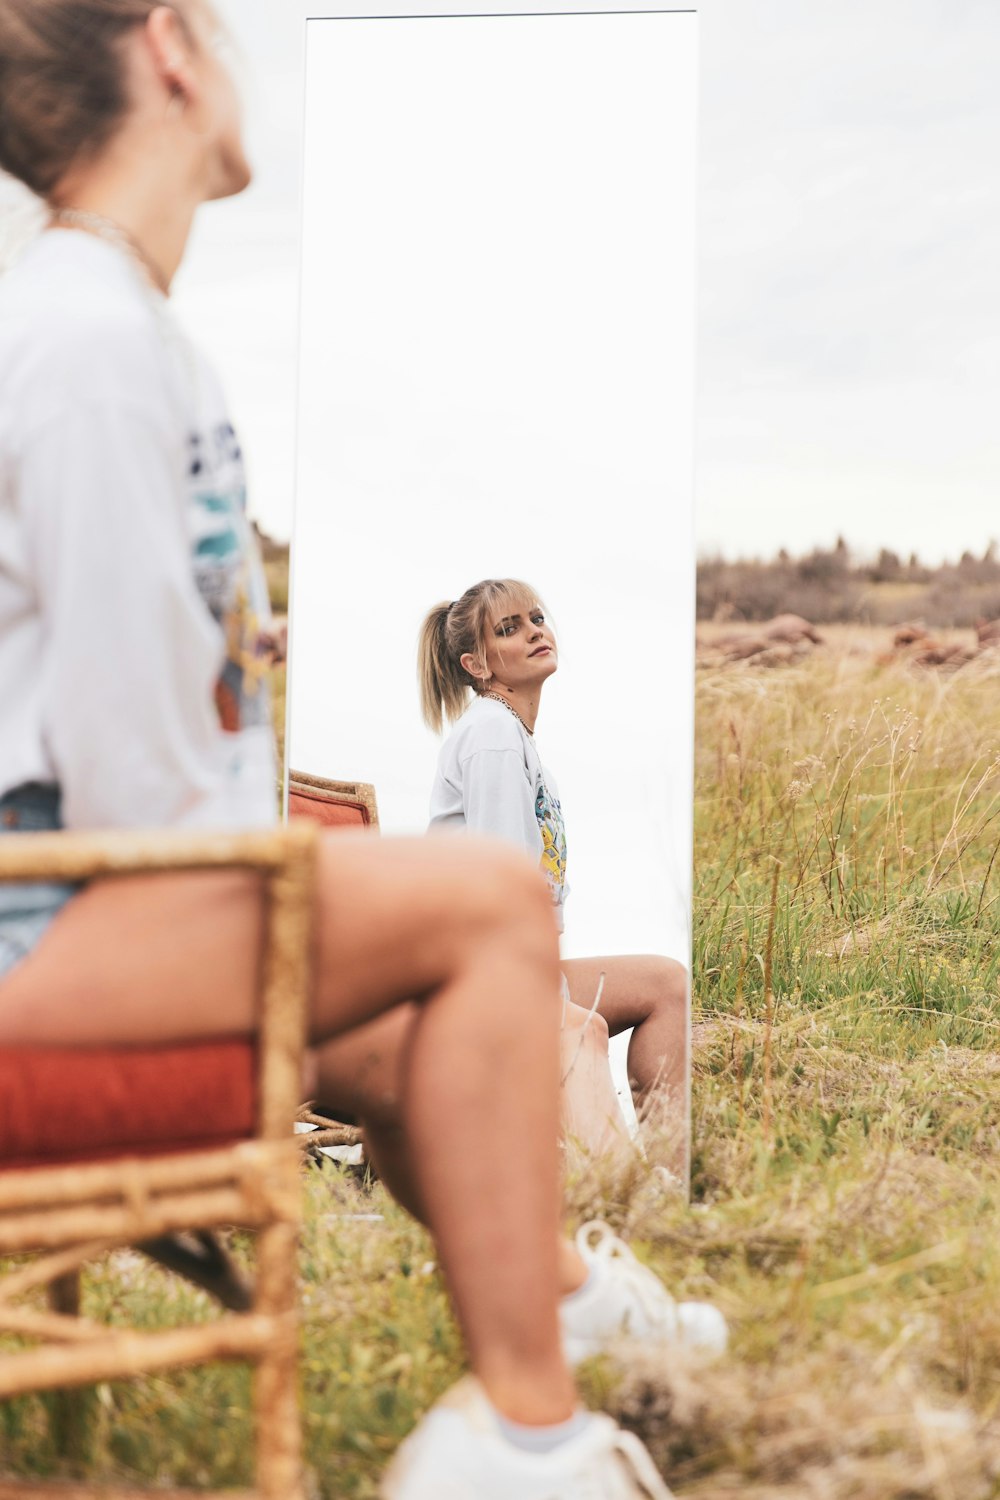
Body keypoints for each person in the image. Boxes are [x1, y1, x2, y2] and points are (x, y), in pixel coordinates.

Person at [0, 4, 687, 1495]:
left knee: (419, 1032)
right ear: (170, 50)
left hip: (81, 907)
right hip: (43, 936)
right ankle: (522, 1435)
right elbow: (129, 782)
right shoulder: (87, 342)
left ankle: (563, 1304)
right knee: (491, 905)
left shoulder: (117, 327)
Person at [418, 578, 690, 1150]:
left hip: (511, 962)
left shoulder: (512, 736)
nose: (535, 631)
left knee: (667, 985)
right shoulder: (491, 735)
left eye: (535, 618)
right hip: (476, 974)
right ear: (477, 664)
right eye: (509, 628)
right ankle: (615, 1194)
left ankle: (671, 1179)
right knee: (582, 1028)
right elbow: (503, 889)